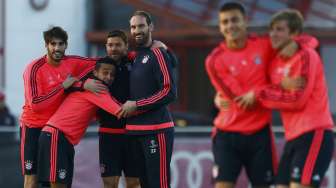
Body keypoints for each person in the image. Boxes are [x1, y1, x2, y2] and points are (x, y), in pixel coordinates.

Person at [205, 2, 318, 188]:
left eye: (235, 20)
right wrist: (280, 84)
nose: (230, 25)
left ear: (245, 21)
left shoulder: (264, 45)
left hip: (260, 134)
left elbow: (309, 40)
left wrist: (296, 44)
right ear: (220, 26)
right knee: (223, 185)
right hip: (227, 134)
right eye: (225, 22)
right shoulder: (214, 60)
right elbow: (242, 100)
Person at [253, 9, 334, 188]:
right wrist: (280, 86)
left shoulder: (306, 55)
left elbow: (297, 100)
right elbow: (265, 88)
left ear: (295, 34)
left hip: (315, 132)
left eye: (280, 29)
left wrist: (261, 94)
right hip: (293, 137)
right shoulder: (275, 63)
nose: (273, 34)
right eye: (272, 29)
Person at [20, 26, 104, 188]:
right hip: (32, 127)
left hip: (54, 131)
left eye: (61, 44)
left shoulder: (72, 62)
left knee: (54, 181)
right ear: (46, 45)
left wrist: (133, 55)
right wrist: (63, 87)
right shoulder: (33, 68)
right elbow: (36, 105)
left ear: (66, 45)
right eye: (53, 44)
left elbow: (103, 62)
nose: (57, 48)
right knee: (32, 178)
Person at [37, 57, 122, 188]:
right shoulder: (98, 88)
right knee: (58, 185)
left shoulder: (88, 86)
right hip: (56, 136)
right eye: (105, 72)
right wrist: (143, 106)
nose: (109, 77)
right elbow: (120, 111)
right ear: (95, 72)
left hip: (59, 138)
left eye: (112, 74)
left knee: (59, 184)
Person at [120, 10, 177, 188]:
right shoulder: (135, 58)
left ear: (151, 27)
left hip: (156, 130)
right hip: (134, 131)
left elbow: (169, 91)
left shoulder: (158, 53)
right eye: (133, 27)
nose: (137, 30)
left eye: (141, 25)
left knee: (158, 184)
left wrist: (137, 105)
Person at [97, 30, 140, 188]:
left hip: (133, 134)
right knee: (110, 184)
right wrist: (82, 84)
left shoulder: (136, 63)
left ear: (126, 46)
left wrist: (163, 48)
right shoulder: (99, 67)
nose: (113, 48)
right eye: (110, 45)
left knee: (134, 183)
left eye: (117, 45)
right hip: (108, 135)